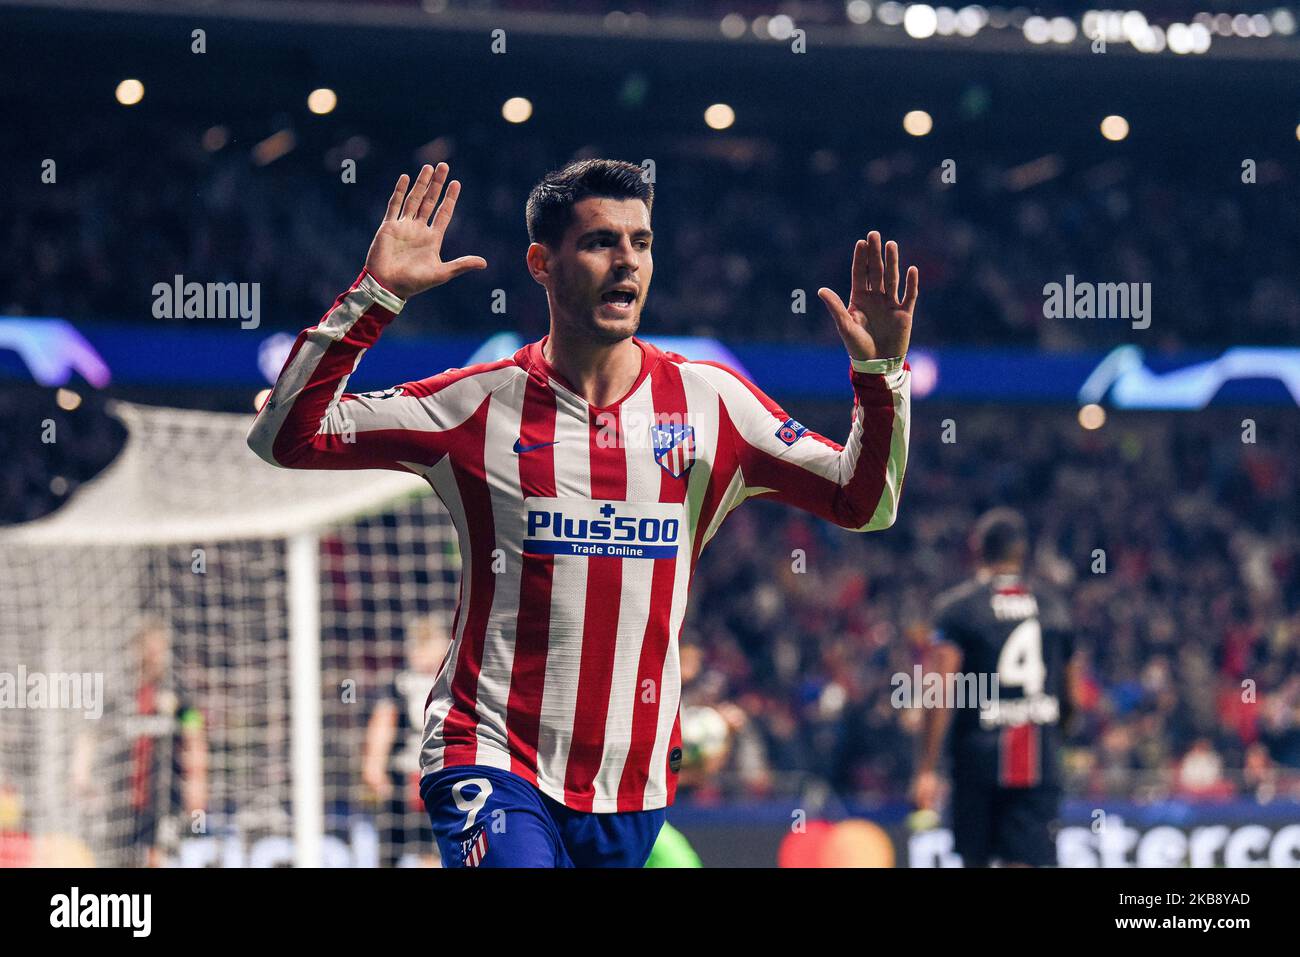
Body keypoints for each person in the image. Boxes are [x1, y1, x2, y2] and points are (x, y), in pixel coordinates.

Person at [248, 159, 916, 867]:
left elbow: (864, 501)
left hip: (630, 788)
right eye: (601, 241)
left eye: (642, 242)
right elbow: (285, 435)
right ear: (542, 262)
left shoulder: (713, 406)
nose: (626, 260)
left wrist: (880, 380)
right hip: (491, 755)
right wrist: (375, 297)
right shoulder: (477, 403)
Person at [911, 508, 1078, 867]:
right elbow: (1072, 696)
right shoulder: (1054, 607)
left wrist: (926, 767)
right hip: (1039, 762)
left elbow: (939, 690)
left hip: (977, 761)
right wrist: (1055, 738)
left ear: (976, 548)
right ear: (1022, 551)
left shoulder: (957, 610)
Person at [361, 615, 449, 867]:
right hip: (408, 777)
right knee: (396, 847)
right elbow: (383, 721)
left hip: (438, 775)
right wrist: (374, 765)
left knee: (431, 848)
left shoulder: (449, 682)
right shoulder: (402, 683)